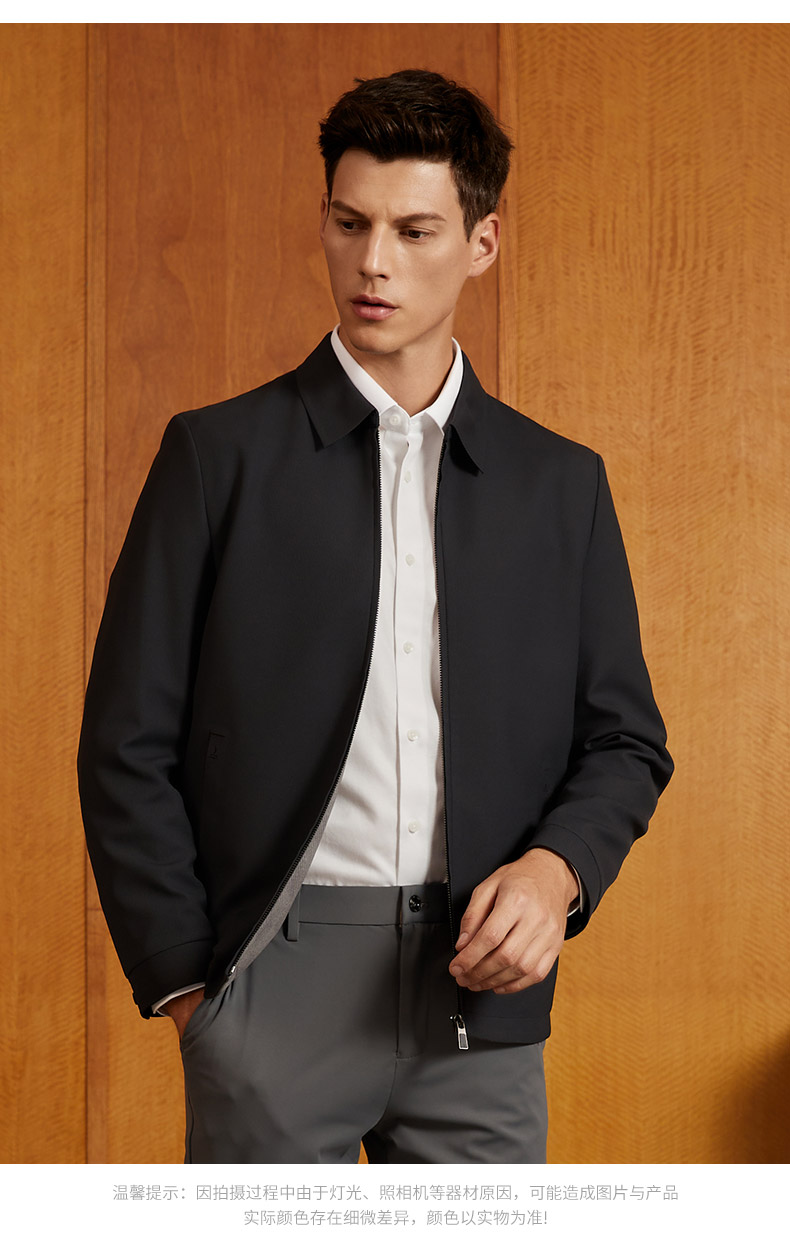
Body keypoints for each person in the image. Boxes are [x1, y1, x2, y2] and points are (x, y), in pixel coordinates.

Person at [78, 69, 673, 1164]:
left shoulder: (559, 484)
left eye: (413, 230)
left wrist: (556, 873)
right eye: (349, 224)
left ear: (482, 243)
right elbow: (126, 741)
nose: (373, 262)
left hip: (481, 1000)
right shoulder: (217, 458)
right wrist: (192, 992)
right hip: (269, 985)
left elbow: (625, 741)